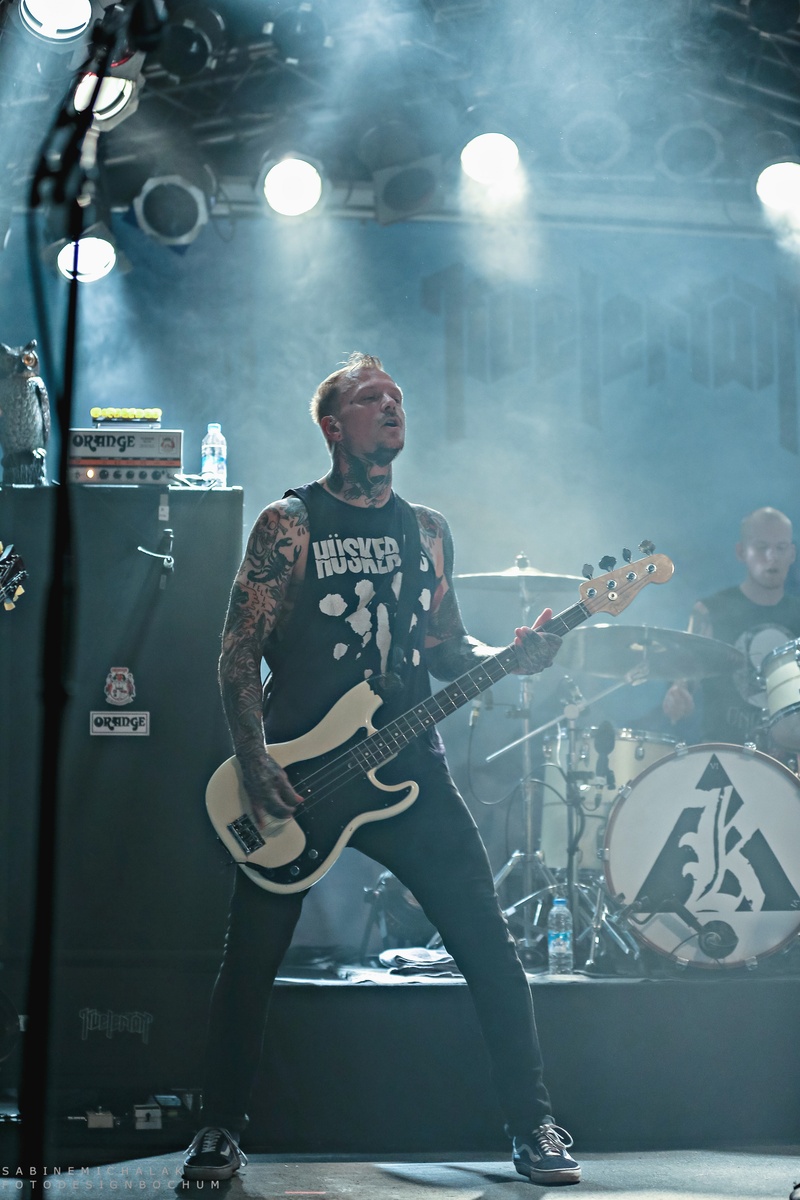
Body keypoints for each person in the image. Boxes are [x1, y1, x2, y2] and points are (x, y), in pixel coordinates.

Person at [182, 353, 581, 1186]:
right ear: (334, 427)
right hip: (296, 778)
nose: (392, 404)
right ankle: (218, 1129)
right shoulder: (289, 524)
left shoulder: (426, 530)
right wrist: (254, 760)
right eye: (371, 398)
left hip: (409, 773)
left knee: (489, 947)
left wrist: (512, 655)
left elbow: (446, 647)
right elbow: (237, 652)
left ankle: (534, 1125)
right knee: (249, 961)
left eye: (396, 396)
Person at [663, 506, 800, 747]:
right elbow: (685, 678)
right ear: (741, 552)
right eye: (761, 547)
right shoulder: (710, 611)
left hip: (788, 757)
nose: (772, 556)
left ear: (792, 554)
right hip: (723, 752)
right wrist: (678, 694)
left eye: (780, 548)